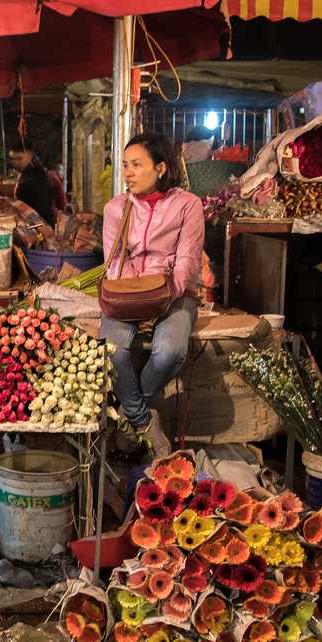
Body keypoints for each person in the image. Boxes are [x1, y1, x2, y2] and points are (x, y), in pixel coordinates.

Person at [100, 133, 205, 458]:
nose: (127, 173)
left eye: (136, 165)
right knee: (112, 351)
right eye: (125, 166)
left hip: (174, 293)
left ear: (160, 167)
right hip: (127, 294)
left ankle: (130, 415)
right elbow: (114, 262)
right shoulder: (116, 208)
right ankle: (144, 421)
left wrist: (160, 301)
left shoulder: (188, 204)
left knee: (169, 352)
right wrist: (139, 303)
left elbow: (187, 262)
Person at [10, 141, 63, 227]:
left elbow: (46, 208)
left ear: (30, 156)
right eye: (13, 159)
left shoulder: (38, 175)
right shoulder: (26, 174)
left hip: (41, 226)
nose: (15, 162)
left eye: (19, 159)